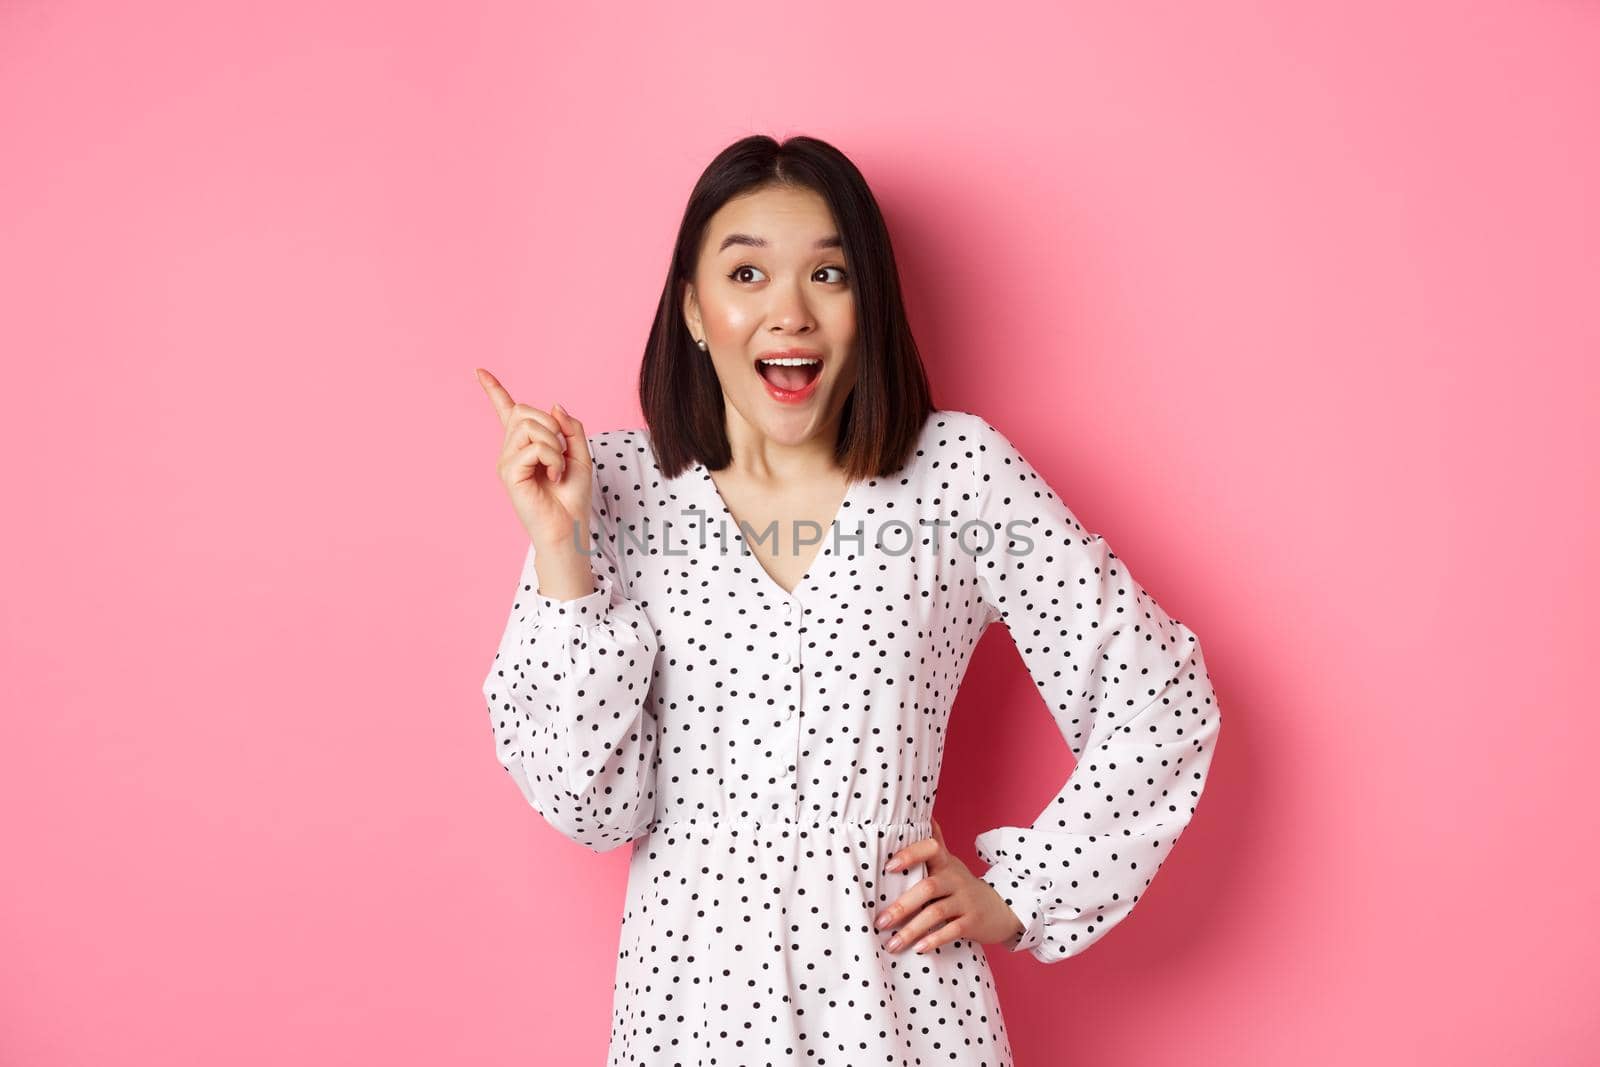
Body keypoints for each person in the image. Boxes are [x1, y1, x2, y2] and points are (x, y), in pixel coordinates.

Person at [476, 134, 1223, 1066]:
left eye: (828, 274)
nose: (788, 312)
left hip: (904, 1015)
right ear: (695, 312)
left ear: (868, 303)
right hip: (690, 1019)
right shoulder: (614, 490)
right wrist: (561, 550)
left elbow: (1158, 697)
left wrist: (1025, 892)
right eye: (746, 273)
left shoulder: (957, 475)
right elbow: (593, 806)